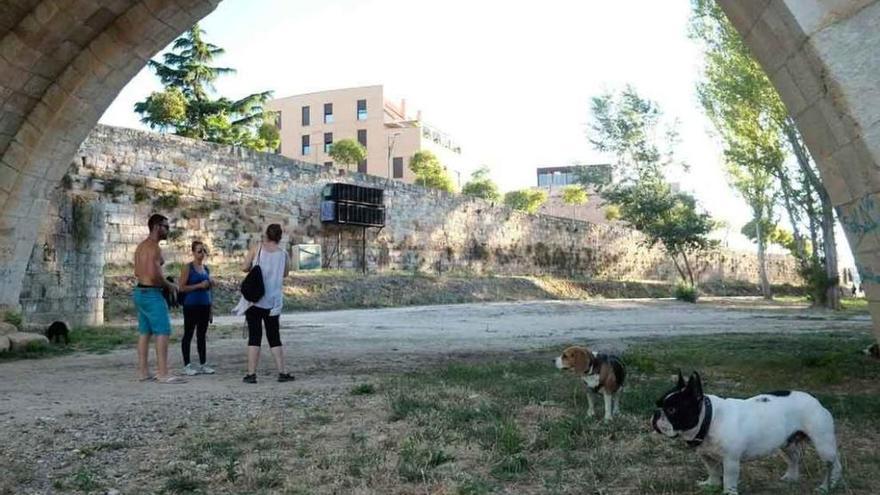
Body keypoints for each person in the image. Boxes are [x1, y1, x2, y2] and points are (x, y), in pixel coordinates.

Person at [234, 224, 295, 383]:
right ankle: (282, 372)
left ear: (266, 234)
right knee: (274, 337)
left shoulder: (257, 249)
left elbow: (245, 267)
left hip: (254, 300)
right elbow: (285, 273)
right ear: (280, 237)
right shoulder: (283, 254)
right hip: (273, 302)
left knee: (254, 337)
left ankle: (251, 374)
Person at [133, 214, 185, 384]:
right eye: (165, 226)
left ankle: (143, 372)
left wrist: (157, 263)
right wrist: (169, 286)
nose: (167, 230)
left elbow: (138, 271)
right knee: (162, 331)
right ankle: (163, 372)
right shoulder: (154, 248)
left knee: (144, 332)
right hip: (152, 293)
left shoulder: (141, 247)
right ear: (156, 226)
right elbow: (155, 276)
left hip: (140, 292)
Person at [178, 241, 215, 376]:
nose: (202, 254)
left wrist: (211, 309)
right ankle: (187, 365)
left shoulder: (206, 269)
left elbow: (209, 291)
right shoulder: (188, 268)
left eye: (203, 251)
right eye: (199, 251)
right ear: (193, 252)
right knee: (188, 334)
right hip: (191, 305)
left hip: (204, 305)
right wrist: (199, 285)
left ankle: (203, 363)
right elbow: (181, 287)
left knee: (201, 336)